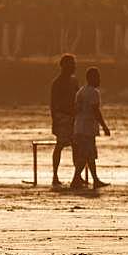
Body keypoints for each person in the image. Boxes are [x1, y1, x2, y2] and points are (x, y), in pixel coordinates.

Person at [71, 66, 110, 190]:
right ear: (92, 78)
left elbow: (76, 110)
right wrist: (104, 126)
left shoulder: (81, 91)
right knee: (85, 155)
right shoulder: (94, 93)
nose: (99, 80)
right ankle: (76, 179)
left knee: (90, 155)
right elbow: (95, 111)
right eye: (97, 77)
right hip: (87, 129)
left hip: (79, 127)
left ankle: (95, 179)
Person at [50, 54, 79, 187]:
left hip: (73, 117)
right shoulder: (57, 83)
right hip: (62, 117)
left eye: (74, 64)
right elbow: (53, 103)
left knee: (76, 146)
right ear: (64, 66)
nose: (74, 66)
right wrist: (55, 121)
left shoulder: (74, 81)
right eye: (71, 64)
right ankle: (55, 175)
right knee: (60, 146)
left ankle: (77, 176)